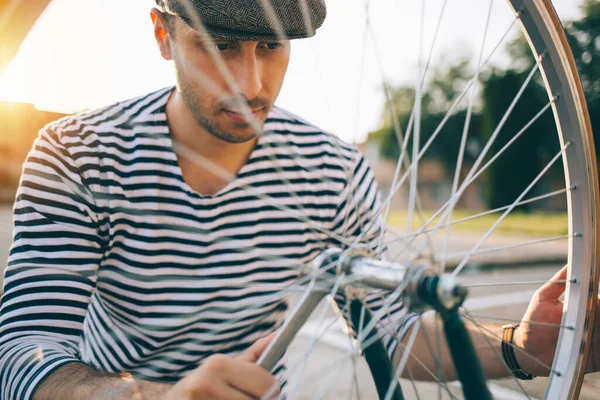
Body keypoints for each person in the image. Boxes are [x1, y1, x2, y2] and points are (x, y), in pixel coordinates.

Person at [0, 1, 597, 399]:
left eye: (271, 48)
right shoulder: (78, 152)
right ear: (163, 34)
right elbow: (24, 353)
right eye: (223, 45)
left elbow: (390, 334)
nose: (251, 84)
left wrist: (523, 347)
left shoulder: (333, 169)